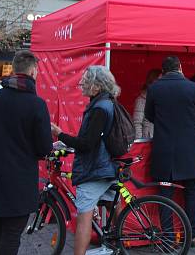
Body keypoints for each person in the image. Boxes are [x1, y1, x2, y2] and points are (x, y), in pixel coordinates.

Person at [0, 49, 52, 255]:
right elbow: (44, 148)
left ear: (14, 69)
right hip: (19, 181)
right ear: (33, 71)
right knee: (10, 234)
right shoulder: (36, 104)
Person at [51, 66, 120, 255]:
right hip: (106, 166)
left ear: (96, 86)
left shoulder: (99, 108)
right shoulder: (107, 103)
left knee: (84, 219)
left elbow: (87, 144)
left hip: (95, 170)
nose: (81, 84)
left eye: (85, 81)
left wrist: (60, 134)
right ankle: (120, 244)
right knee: (113, 205)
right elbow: (94, 140)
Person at [146, 56, 195, 247]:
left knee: (165, 194)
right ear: (181, 68)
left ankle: (168, 237)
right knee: (190, 191)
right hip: (188, 150)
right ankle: (191, 233)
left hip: (163, 149)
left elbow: (149, 115)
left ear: (163, 71)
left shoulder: (154, 88)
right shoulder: (194, 88)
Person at [133, 69, 160, 139]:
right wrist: (140, 142)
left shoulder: (162, 98)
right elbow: (137, 123)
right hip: (147, 141)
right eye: (159, 81)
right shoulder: (141, 100)